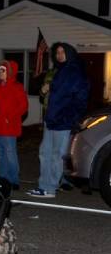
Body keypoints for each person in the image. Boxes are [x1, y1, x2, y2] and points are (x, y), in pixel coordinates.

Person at [27, 42, 89, 198]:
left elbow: (81, 99)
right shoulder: (58, 72)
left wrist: (72, 118)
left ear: (70, 53)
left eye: (63, 52)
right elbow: (50, 95)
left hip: (63, 122)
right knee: (44, 153)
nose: (59, 55)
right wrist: (44, 90)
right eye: (57, 52)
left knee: (57, 155)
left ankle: (50, 188)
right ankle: (43, 186)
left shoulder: (75, 72)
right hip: (51, 119)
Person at [0, 60, 28, 192]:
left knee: (10, 153)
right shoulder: (0, 87)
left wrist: (9, 118)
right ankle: (3, 178)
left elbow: (23, 106)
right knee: (2, 154)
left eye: (3, 70)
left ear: (9, 72)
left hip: (9, 127)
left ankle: (13, 180)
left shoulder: (17, 87)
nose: (0, 72)